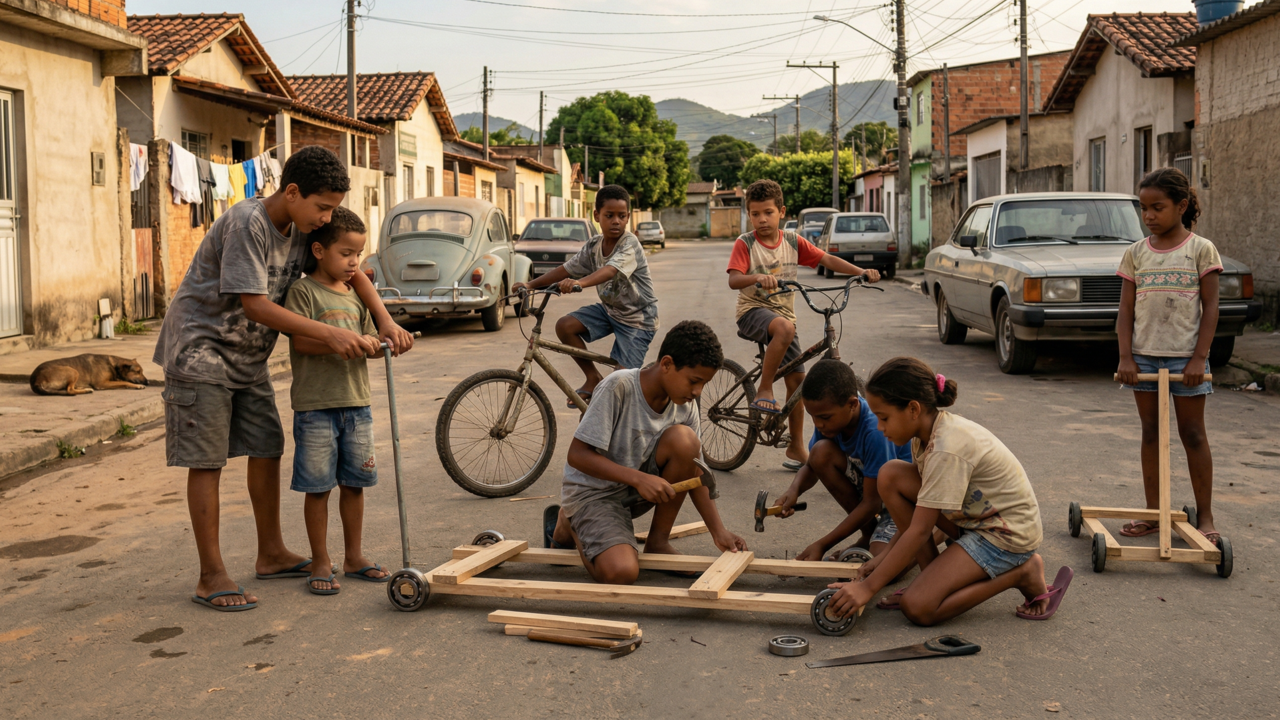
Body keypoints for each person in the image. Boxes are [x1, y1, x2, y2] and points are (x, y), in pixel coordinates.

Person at [155, 146, 414, 612]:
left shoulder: (307, 230)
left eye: (332, 208)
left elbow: (354, 274)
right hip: (200, 353)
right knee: (208, 460)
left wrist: (385, 322)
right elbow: (254, 304)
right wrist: (333, 335)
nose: (326, 217)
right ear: (291, 192)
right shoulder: (247, 223)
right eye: (322, 207)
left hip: (247, 359)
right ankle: (210, 574)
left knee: (267, 446)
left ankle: (271, 552)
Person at [825, 357, 1072, 625]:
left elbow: (920, 530)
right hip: (975, 519)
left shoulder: (944, 448)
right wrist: (884, 559)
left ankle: (1021, 573)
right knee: (891, 475)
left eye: (884, 418)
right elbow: (918, 518)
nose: (880, 427)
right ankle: (931, 580)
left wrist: (867, 587)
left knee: (918, 607)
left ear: (913, 409)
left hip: (1004, 536)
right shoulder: (927, 434)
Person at [545, 320, 747, 584]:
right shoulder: (619, 387)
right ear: (666, 365)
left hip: (636, 492)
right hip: (594, 495)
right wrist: (638, 479)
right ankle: (568, 522)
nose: (697, 392)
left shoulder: (685, 404)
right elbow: (577, 455)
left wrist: (718, 531)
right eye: (694, 381)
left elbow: (698, 471)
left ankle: (658, 541)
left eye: (704, 384)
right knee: (621, 573)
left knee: (686, 442)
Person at [726, 179, 880, 470]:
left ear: (781, 212)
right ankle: (764, 389)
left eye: (768, 212)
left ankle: (796, 447)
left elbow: (826, 259)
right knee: (785, 329)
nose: (762, 219)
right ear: (749, 215)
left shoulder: (793, 242)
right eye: (756, 213)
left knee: (798, 383)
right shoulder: (745, 243)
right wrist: (756, 277)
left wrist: (861, 272)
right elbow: (734, 279)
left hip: (784, 318)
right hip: (752, 311)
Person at [283, 207, 390, 595]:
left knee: (355, 484)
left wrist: (382, 344)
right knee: (318, 488)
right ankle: (321, 559)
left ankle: (354, 556)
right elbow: (300, 341)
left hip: (356, 404)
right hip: (315, 407)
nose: (354, 263)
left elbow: (368, 341)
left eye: (358, 255)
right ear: (318, 250)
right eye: (346, 253)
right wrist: (337, 341)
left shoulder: (356, 294)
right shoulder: (303, 292)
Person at [1116, 167, 1222, 544]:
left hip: (1185, 360)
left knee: (1193, 434)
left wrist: (1199, 358)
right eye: (1143, 209)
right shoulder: (1136, 254)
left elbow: (1210, 308)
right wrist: (1126, 357)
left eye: (1157, 207)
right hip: (1144, 359)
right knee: (1151, 434)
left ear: (1181, 206)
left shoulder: (1200, 249)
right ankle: (1153, 513)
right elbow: (1125, 311)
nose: (1148, 216)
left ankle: (1205, 517)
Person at [512, 185, 658, 408]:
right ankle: (593, 377)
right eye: (609, 216)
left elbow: (610, 270)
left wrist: (580, 283)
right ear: (596, 215)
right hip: (611, 311)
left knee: (616, 389)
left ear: (628, 217)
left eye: (622, 216)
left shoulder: (630, 244)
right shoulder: (593, 245)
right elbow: (567, 268)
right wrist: (530, 284)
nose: (616, 221)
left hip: (638, 321)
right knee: (565, 326)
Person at [773, 359, 911, 563]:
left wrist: (823, 544)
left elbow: (872, 502)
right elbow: (812, 466)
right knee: (820, 452)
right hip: (874, 490)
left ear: (852, 404)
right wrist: (794, 490)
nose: (818, 424)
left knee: (881, 561)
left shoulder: (874, 431)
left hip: (901, 502)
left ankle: (927, 536)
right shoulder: (830, 425)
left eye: (825, 417)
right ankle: (869, 533)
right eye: (813, 416)